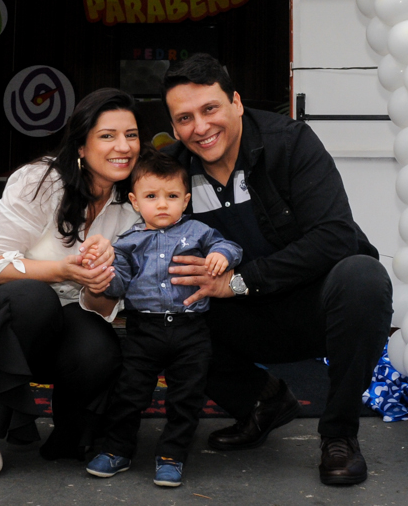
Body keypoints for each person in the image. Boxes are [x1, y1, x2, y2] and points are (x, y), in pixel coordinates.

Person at [161, 53, 393, 486]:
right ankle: (262, 401)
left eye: (210, 109)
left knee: (363, 277)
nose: (201, 127)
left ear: (236, 102)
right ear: (174, 127)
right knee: (162, 306)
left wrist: (242, 281)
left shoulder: (290, 142)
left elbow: (336, 237)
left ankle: (340, 434)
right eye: (185, 118)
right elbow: (110, 201)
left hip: (312, 304)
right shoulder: (170, 170)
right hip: (239, 319)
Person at [0, 88, 143, 476]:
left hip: (52, 335)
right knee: (36, 299)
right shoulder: (42, 181)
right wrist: (63, 270)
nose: (124, 146)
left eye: (132, 135)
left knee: (99, 346)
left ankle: (70, 432)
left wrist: (102, 280)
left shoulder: (133, 205)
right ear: (81, 147)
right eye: (108, 136)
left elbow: (99, 311)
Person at [84, 149, 243, 487]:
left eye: (172, 196)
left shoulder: (200, 232)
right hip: (144, 330)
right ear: (135, 201)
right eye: (151, 196)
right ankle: (117, 449)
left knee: (186, 397)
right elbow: (117, 284)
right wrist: (97, 272)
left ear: (185, 201)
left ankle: (172, 455)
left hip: (191, 330)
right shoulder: (127, 243)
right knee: (129, 393)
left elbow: (231, 246)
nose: (162, 204)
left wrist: (219, 255)